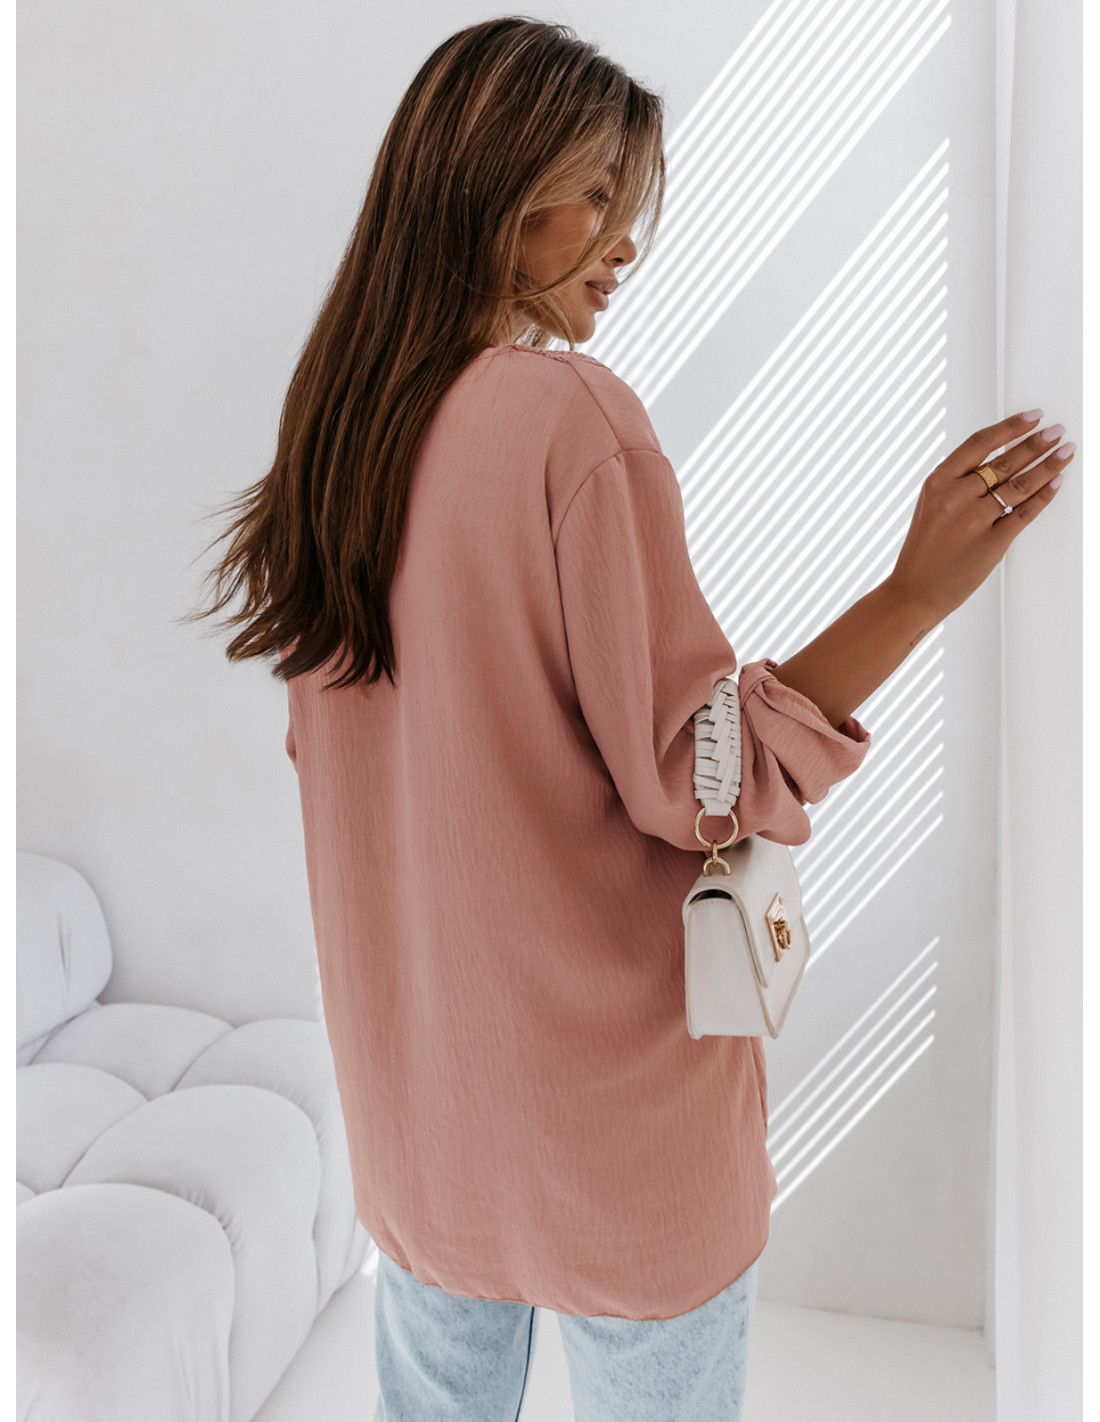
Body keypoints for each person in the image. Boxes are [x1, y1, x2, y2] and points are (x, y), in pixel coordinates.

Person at [192, 16, 1076, 1421]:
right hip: (610, 1121)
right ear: (493, 182)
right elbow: (696, 775)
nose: (626, 243)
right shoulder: (566, 422)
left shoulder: (336, 435)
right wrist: (914, 592)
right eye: (598, 194)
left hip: (420, 1114)